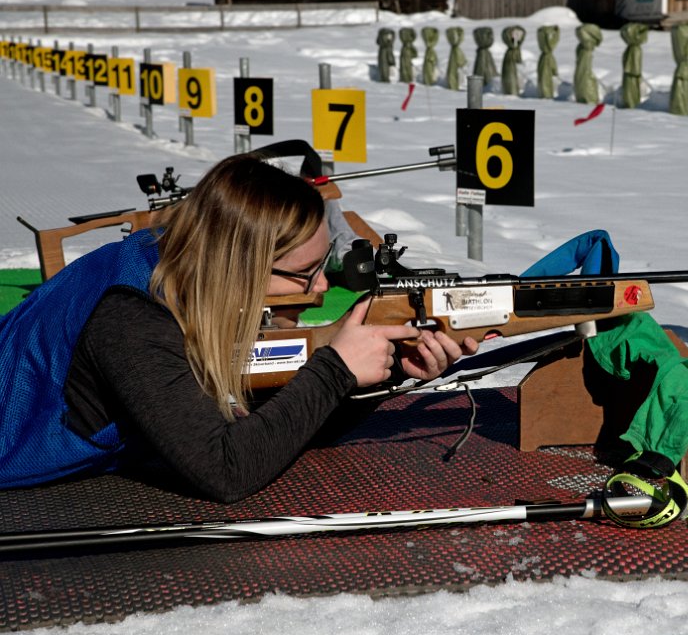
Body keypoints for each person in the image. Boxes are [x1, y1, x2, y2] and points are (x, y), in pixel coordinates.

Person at [0, 154, 477, 502]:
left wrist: (388, 370)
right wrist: (335, 371)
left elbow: (278, 430)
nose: (323, 284)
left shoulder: (179, 264)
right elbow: (226, 470)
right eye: (304, 273)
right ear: (240, 267)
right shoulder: (134, 317)